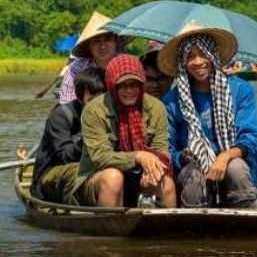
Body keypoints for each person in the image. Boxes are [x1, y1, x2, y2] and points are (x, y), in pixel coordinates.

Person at [161, 22, 257, 208]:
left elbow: (251, 138)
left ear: (213, 55)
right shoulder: (172, 99)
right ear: (183, 61)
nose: (198, 62)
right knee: (194, 176)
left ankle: (246, 223)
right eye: (190, 56)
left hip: (234, 162)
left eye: (203, 54)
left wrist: (224, 157)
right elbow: (167, 147)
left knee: (236, 169)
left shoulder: (241, 90)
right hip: (193, 168)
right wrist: (183, 157)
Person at [74, 54, 177, 208]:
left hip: (140, 176)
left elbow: (161, 148)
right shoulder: (94, 110)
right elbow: (101, 158)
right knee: (113, 178)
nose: (129, 91)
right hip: (97, 176)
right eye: (122, 85)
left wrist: (153, 170)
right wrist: (138, 156)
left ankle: (164, 228)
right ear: (111, 85)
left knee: (166, 183)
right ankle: (111, 228)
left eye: (134, 85)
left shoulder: (156, 107)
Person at [29, 65, 105, 203]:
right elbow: (65, 157)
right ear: (81, 97)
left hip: (90, 168)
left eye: (102, 99)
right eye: (92, 99)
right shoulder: (61, 116)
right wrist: (88, 133)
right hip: (51, 175)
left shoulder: (109, 113)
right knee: (85, 171)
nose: (98, 106)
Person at [58, 11, 132, 107]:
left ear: (116, 41)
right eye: (97, 42)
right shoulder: (76, 68)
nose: (103, 46)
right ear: (89, 46)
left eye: (107, 40)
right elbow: (66, 104)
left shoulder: (128, 65)